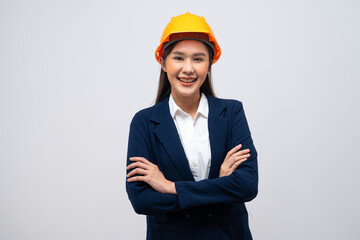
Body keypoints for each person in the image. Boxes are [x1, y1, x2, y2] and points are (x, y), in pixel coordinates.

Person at [126, 12, 258, 240]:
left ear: (209, 65)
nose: (188, 68)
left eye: (198, 59)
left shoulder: (232, 112)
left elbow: (247, 185)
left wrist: (170, 187)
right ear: (163, 62)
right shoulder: (144, 122)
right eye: (178, 58)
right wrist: (220, 186)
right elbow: (141, 199)